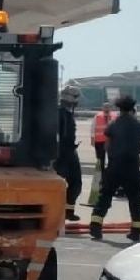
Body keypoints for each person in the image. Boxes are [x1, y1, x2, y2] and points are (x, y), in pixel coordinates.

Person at [90, 95, 140, 243]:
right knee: (135, 200)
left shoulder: (112, 125)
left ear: (119, 108)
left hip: (114, 167)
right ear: (133, 108)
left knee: (105, 196)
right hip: (132, 167)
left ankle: (96, 228)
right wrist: (136, 152)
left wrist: (113, 156)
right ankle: (135, 232)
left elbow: (106, 146)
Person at [56, 85, 83, 222]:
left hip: (68, 152)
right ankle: (60, 212)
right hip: (62, 154)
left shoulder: (66, 113)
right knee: (62, 185)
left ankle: (68, 211)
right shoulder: (61, 113)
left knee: (76, 184)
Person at [90, 102, 114, 172]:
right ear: (102, 108)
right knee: (100, 159)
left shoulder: (114, 116)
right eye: (105, 107)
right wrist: (92, 139)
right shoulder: (97, 116)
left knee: (112, 158)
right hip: (99, 141)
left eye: (108, 107)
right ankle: (101, 174)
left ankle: (110, 173)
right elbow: (92, 128)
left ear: (111, 108)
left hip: (111, 142)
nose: (106, 108)